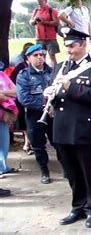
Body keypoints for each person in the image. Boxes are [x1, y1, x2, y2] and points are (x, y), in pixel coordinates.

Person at [44, 27, 91, 228]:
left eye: (72, 46)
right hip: (62, 127)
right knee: (71, 172)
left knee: (89, 173)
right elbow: (57, 98)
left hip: (83, 129)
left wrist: (69, 86)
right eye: (66, 46)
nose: (69, 50)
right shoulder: (60, 67)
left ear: (83, 45)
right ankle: (77, 206)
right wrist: (48, 96)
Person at [16, 44, 55, 184]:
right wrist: (44, 104)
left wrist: (53, 106)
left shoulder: (52, 72)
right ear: (28, 58)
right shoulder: (24, 75)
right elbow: (24, 98)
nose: (40, 58)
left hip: (53, 114)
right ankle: (44, 171)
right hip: (35, 115)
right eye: (35, 55)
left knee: (59, 142)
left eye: (42, 55)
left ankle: (68, 170)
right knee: (38, 145)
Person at [10, 42, 34, 155]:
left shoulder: (42, 67)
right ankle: (27, 143)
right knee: (25, 122)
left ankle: (29, 143)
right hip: (23, 99)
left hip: (34, 100)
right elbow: (14, 83)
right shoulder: (21, 68)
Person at [29, 0, 60, 66]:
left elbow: (57, 22)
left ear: (46, 1)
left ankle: (55, 72)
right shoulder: (36, 11)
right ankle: (43, 72)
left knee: (52, 57)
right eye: (38, 2)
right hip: (39, 38)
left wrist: (44, 22)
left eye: (41, 2)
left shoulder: (52, 10)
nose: (39, 4)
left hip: (50, 38)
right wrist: (34, 21)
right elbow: (31, 22)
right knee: (40, 57)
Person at [0, 70, 17, 175]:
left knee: (4, 143)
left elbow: (15, 91)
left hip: (4, 115)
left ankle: (2, 166)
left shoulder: (2, 74)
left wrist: (3, 94)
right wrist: (6, 96)